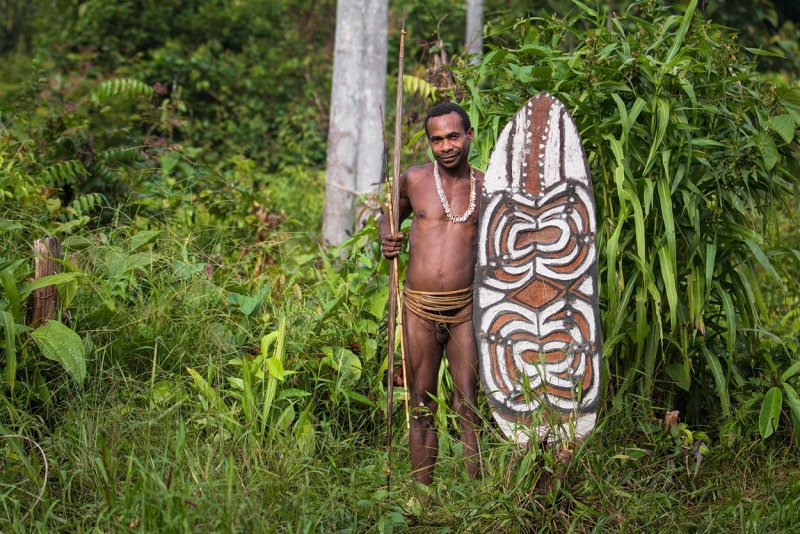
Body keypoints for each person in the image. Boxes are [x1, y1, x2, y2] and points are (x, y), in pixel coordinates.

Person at [379, 102, 484, 488]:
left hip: (464, 309)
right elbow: (389, 217)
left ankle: (479, 498)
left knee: (467, 404)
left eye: (453, 136)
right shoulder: (413, 180)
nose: (446, 146)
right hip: (418, 309)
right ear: (429, 143)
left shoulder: (485, 187)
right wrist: (385, 237)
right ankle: (422, 497)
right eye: (436, 140)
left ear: (469, 135)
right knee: (420, 403)